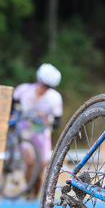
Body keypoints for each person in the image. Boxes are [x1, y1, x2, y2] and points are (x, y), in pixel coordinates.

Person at [11, 63, 63, 199]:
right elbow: (11, 106)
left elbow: (58, 121)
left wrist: (49, 122)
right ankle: (28, 191)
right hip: (25, 130)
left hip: (42, 133)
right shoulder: (23, 90)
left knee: (41, 165)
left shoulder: (55, 98)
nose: (45, 89)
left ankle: (35, 193)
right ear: (38, 80)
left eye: (49, 87)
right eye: (43, 85)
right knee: (29, 161)